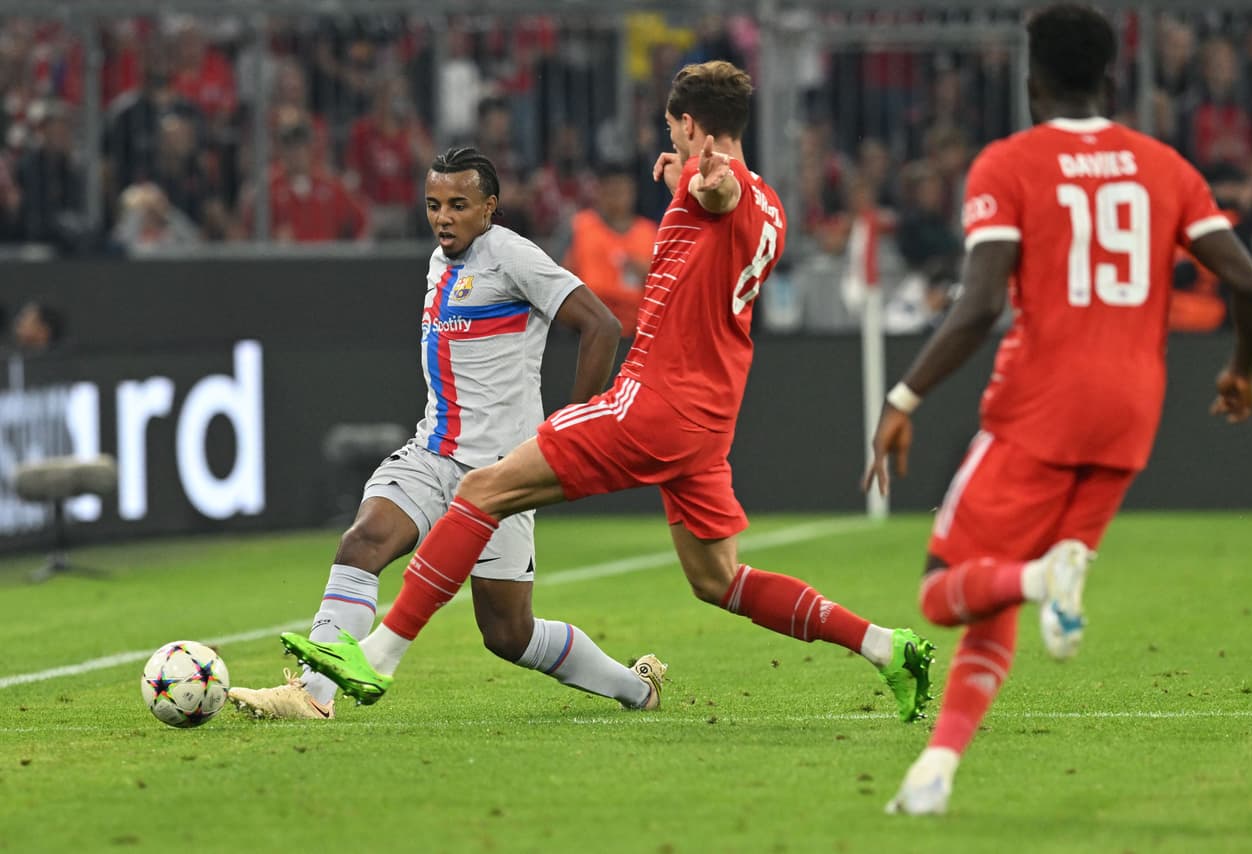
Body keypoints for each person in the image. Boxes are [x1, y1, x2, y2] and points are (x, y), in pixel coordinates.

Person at [281, 60, 937, 724]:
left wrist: (704, 183)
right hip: (708, 421)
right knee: (719, 580)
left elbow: (718, 192)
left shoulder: (725, 184)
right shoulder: (771, 203)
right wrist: (692, 179)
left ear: (689, 124)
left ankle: (379, 657)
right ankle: (886, 646)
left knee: (482, 491)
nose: (674, 144)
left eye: (673, 130)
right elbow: (722, 205)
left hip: (654, 401)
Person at [862, 4, 1252, 816]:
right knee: (998, 602)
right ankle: (935, 772)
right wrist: (1242, 371)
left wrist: (903, 396)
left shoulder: (1009, 164)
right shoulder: (1164, 165)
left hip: (1038, 408)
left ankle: (1046, 576)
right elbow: (1251, 285)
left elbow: (978, 307)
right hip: (1130, 415)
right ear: (1111, 78)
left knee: (944, 592)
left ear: (1030, 80)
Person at [229, 147, 666, 719]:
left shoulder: (512, 256)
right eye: (434, 204)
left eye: (459, 205)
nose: (443, 217)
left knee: (508, 632)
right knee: (363, 541)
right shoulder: (441, 262)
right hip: (433, 453)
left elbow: (602, 326)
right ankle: (313, 695)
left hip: (503, 474)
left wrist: (570, 429)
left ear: (489, 207)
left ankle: (637, 688)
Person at [561, 162, 659, 337]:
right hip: (587, 329)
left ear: (632, 193)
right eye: (611, 191)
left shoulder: (649, 232)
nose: (617, 198)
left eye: (622, 191)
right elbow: (561, 280)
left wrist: (647, 274)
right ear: (599, 192)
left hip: (639, 331)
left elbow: (664, 287)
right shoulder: (580, 226)